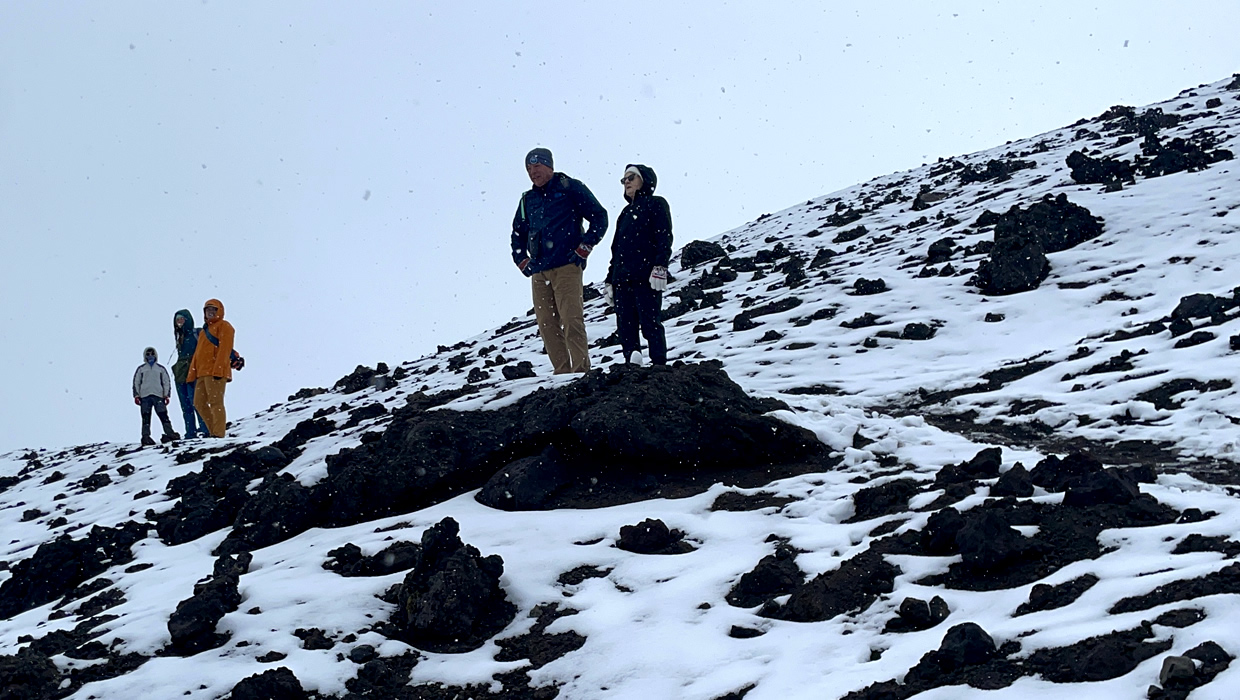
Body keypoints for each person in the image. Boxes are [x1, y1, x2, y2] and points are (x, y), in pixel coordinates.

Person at [511, 147, 608, 373]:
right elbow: (517, 233)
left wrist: (585, 247)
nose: (532, 172)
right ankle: (562, 373)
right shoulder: (527, 200)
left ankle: (581, 371)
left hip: (567, 266)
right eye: (528, 168)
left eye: (536, 166)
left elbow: (599, 216)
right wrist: (521, 260)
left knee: (571, 320)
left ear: (549, 166)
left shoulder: (569, 187)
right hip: (539, 271)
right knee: (546, 325)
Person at [604, 164, 672, 365]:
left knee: (650, 321)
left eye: (631, 177)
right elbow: (616, 250)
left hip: (646, 275)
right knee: (625, 324)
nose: (626, 182)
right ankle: (631, 360)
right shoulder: (624, 213)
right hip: (622, 278)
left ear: (645, 180)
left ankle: (659, 362)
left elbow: (664, 237)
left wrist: (660, 266)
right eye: (624, 179)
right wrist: (610, 279)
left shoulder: (656, 204)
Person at [186, 298, 235, 438]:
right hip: (202, 373)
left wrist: (219, 369)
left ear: (219, 311)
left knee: (215, 402)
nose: (210, 312)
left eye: (213, 309)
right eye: (208, 310)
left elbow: (225, 349)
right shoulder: (204, 331)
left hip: (215, 372)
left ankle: (218, 434)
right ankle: (213, 431)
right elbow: (197, 354)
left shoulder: (224, 326)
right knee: (198, 403)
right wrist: (192, 374)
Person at [172, 309, 209, 439]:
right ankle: (190, 432)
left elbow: (210, 346)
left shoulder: (197, 333)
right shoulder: (180, 338)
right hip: (181, 375)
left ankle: (205, 429)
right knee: (186, 405)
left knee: (197, 402)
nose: (179, 322)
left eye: (182, 319)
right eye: (177, 320)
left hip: (194, 372)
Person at [132, 346, 179, 446]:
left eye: (152, 354)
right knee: (146, 417)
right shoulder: (141, 369)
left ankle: (169, 433)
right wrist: (136, 395)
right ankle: (146, 436)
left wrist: (166, 395)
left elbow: (166, 382)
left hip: (158, 396)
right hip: (145, 396)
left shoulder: (160, 369)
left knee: (163, 416)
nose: (150, 356)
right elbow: (136, 382)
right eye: (148, 354)